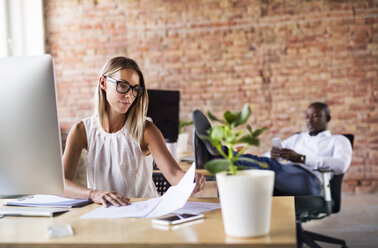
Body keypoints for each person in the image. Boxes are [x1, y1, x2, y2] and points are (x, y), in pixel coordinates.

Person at [63, 56, 205, 207]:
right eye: (123, 85)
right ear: (103, 83)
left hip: (143, 212)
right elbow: (60, 184)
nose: (130, 95)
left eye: (135, 89)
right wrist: (93, 194)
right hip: (104, 215)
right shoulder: (81, 130)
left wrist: (191, 180)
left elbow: (174, 174)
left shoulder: (146, 130)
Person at [195, 102, 352, 196]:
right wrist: (273, 155)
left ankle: (215, 154)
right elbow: (265, 160)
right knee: (255, 167)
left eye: (316, 116)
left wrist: (301, 158)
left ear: (328, 118)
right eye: (307, 116)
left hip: (311, 182)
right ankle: (213, 156)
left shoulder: (338, 140)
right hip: (283, 173)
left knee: (270, 167)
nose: (310, 120)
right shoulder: (298, 137)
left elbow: (341, 165)